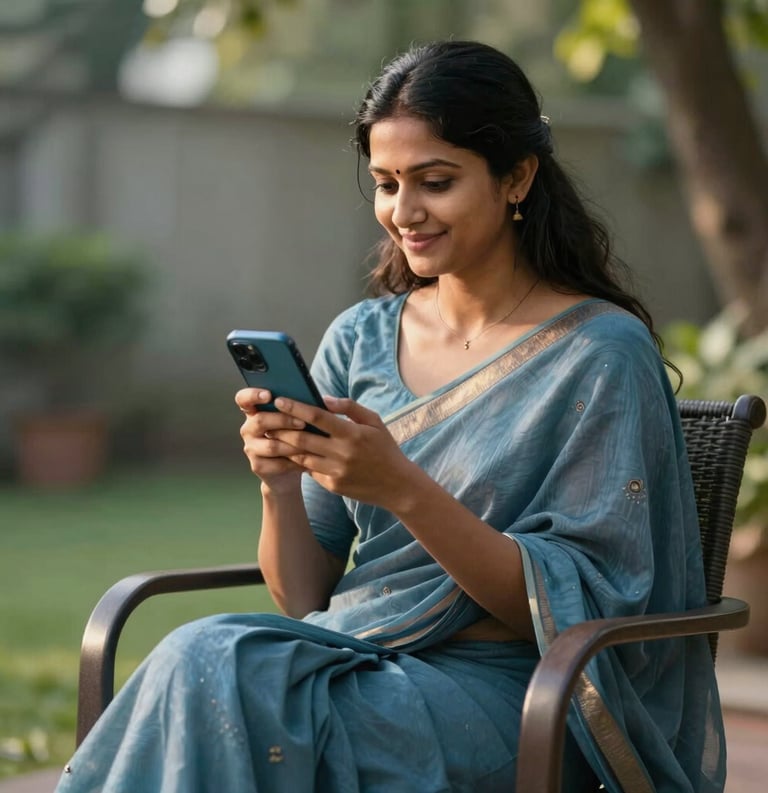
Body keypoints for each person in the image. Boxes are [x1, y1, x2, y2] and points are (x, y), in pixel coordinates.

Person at [55, 40, 724, 793]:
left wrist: (402, 487)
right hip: (356, 655)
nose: (404, 212)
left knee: (222, 679)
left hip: (523, 693)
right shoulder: (361, 337)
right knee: (201, 654)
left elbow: (582, 613)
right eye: (384, 183)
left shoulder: (601, 354)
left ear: (518, 177)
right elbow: (306, 598)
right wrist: (277, 483)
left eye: (435, 182)